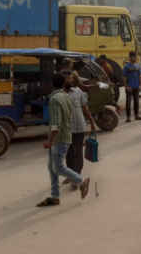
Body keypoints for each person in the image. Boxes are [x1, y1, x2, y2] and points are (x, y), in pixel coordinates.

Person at [37, 73, 90, 207]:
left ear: (51, 84)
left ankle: (82, 181)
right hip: (64, 134)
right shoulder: (66, 96)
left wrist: (51, 140)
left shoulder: (55, 99)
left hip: (59, 138)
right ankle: (55, 196)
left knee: (58, 167)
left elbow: (56, 123)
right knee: (52, 167)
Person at [62, 71, 97, 188]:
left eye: (72, 78)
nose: (71, 80)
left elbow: (84, 108)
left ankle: (77, 178)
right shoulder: (58, 95)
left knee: (77, 152)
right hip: (65, 129)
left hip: (78, 127)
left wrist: (91, 121)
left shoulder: (78, 92)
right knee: (68, 153)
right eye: (68, 79)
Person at [122, 51, 141, 122]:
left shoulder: (137, 66)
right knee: (128, 102)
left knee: (136, 102)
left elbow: (139, 76)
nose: (135, 58)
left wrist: (140, 85)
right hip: (130, 87)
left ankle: (136, 115)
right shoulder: (126, 66)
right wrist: (126, 86)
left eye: (135, 57)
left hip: (136, 87)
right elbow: (123, 76)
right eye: (134, 57)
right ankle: (128, 117)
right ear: (130, 57)